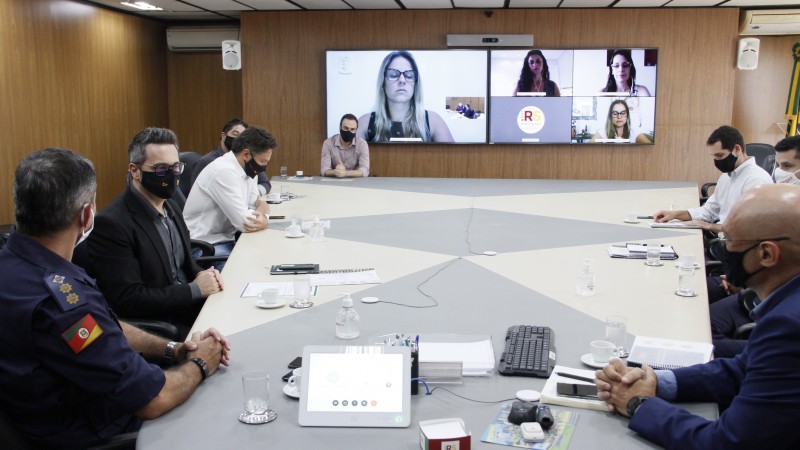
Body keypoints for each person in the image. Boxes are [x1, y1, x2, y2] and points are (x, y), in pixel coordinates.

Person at [0, 148, 230, 448]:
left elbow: (104, 328)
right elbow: (154, 399)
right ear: (86, 215)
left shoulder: (15, 263)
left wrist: (174, 350)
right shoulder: (64, 305)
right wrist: (201, 362)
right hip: (99, 431)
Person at [595, 183, 800, 449]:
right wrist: (656, 381)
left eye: (730, 241)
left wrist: (639, 403)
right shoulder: (786, 309)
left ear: (767, 254)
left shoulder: (788, 326)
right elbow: (742, 369)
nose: (724, 251)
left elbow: (727, 443)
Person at [87, 128, 224, 337]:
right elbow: (129, 299)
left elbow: (182, 264)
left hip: (192, 307)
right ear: (134, 170)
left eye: (175, 167)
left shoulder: (170, 205)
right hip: (164, 325)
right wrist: (195, 289)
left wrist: (202, 274)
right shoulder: (112, 224)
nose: (171, 175)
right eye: (161, 169)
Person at [708, 135, 800, 356]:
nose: (779, 173)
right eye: (777, 165)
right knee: (700, 318)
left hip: (774, 302)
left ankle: (764, 354)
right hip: (759, 289)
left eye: (787, 166)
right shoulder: (785, 200)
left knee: (704, 338)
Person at [652, 125, 772, 234]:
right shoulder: (726, 176)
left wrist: (709, 226)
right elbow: (709, 211)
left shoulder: (756, 180)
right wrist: (675, 214)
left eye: (719, 155)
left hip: (739, 246)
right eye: (713, 156)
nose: (716, 161)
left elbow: (750, 227)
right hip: (724, 239)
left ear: (737, 149)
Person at [183, 126, 276, 257]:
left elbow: (253, 205)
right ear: (245, 154)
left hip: (225, 239)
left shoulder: (248, 169)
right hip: (203, 246)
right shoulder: (224, 171)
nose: (264, 166)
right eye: (262, 161)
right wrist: (264, 217)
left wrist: (259, 211)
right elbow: (246, 223)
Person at [357, 51, 454, 143]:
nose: (402, 80)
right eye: (393, 74)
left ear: (415, 83)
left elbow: (454, 159)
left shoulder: (434, 121)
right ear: (383, 82)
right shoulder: (364, 123)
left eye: (409, 75)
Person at [191, 118, 272, 195]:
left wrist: (255, 195)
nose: (239, 139)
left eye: (242, 137)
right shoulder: (208, 161)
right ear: (223, 136)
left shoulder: (245, 159)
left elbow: (265, 183)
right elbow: (194, 192)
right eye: (235, 134)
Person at [321, 113, 369, 178]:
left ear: (356, 130)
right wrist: (335, 172)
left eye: (352, 129)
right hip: (334, 182)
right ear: (340, 127)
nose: (349, 132)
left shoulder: (362, 144)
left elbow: (365, 170)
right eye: (346, 128)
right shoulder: (328, 143)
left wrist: (345, 173)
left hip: (356, 183)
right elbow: (324, 169)